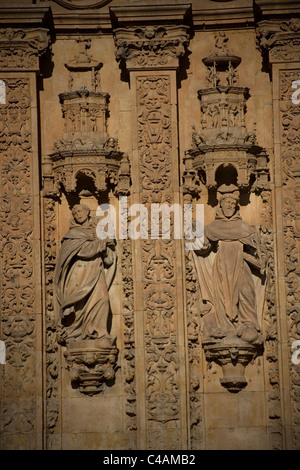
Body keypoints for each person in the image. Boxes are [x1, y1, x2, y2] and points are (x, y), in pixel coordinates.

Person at [193, 184, 266, 344]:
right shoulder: (213, 227)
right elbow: (203, 248)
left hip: (241, 267)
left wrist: (250, 252)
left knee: (246, 292)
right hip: (221, 268)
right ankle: (225, 327)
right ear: (221, 204)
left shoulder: (243, 227)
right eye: (227, 203)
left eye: (233, 204)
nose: (230, 206)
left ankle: (248, 324)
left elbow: (258, 254)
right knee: (222, 297)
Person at [54, 204, 116, 343]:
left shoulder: (99, 230)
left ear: (87, 212)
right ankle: (75, 332)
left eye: (80, 211)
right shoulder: (72, 235)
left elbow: (110, 260)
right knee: (79, 307)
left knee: (103, 299)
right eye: (75, 213)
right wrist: (100, 244)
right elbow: (82, 251)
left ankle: (100, 333)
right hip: (79, 275)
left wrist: (104, 247)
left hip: (96, 272)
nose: (78, 214)